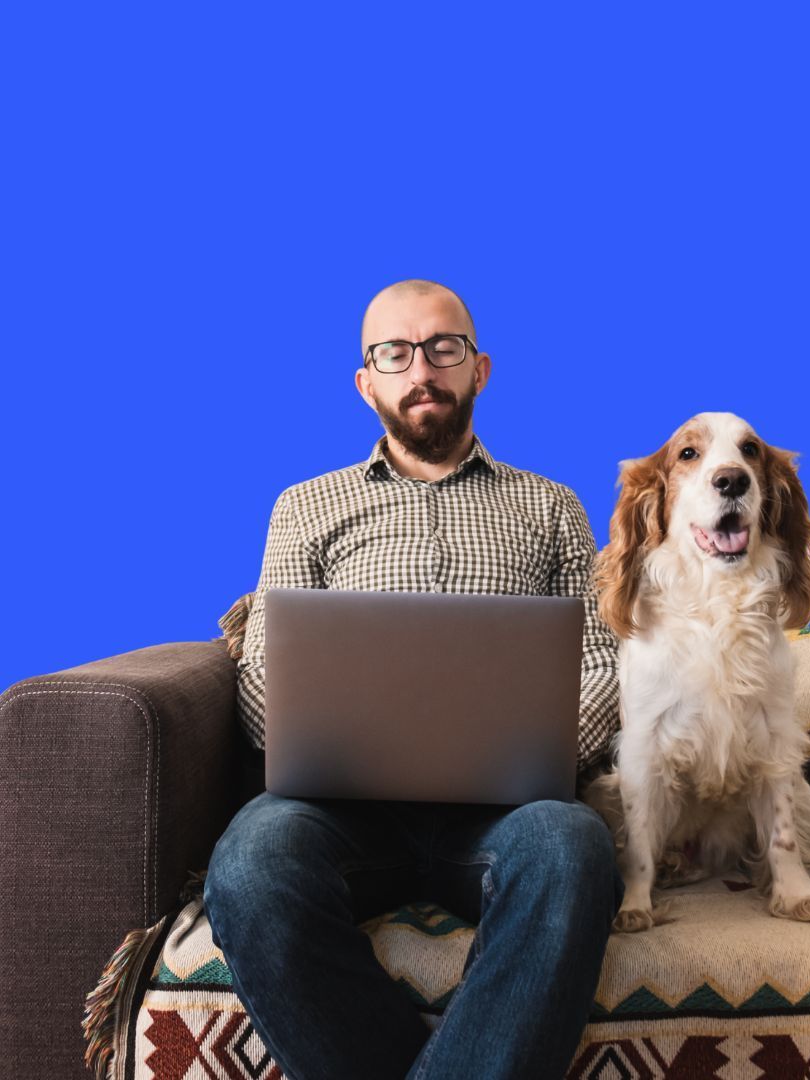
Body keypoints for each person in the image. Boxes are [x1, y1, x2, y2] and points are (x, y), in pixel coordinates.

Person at [203, 279, 625, 1080]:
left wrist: (537, 744)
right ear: (367, 382)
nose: (420, 369)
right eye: (394, 353)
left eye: (443, 348)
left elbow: (603, 657)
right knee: (251, 865)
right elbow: (260, 665)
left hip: (508, 811)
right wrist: (320, 737)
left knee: (574, 848)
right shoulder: (304, 506)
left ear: (480, 369)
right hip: (339, 809)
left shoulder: (552, 506)